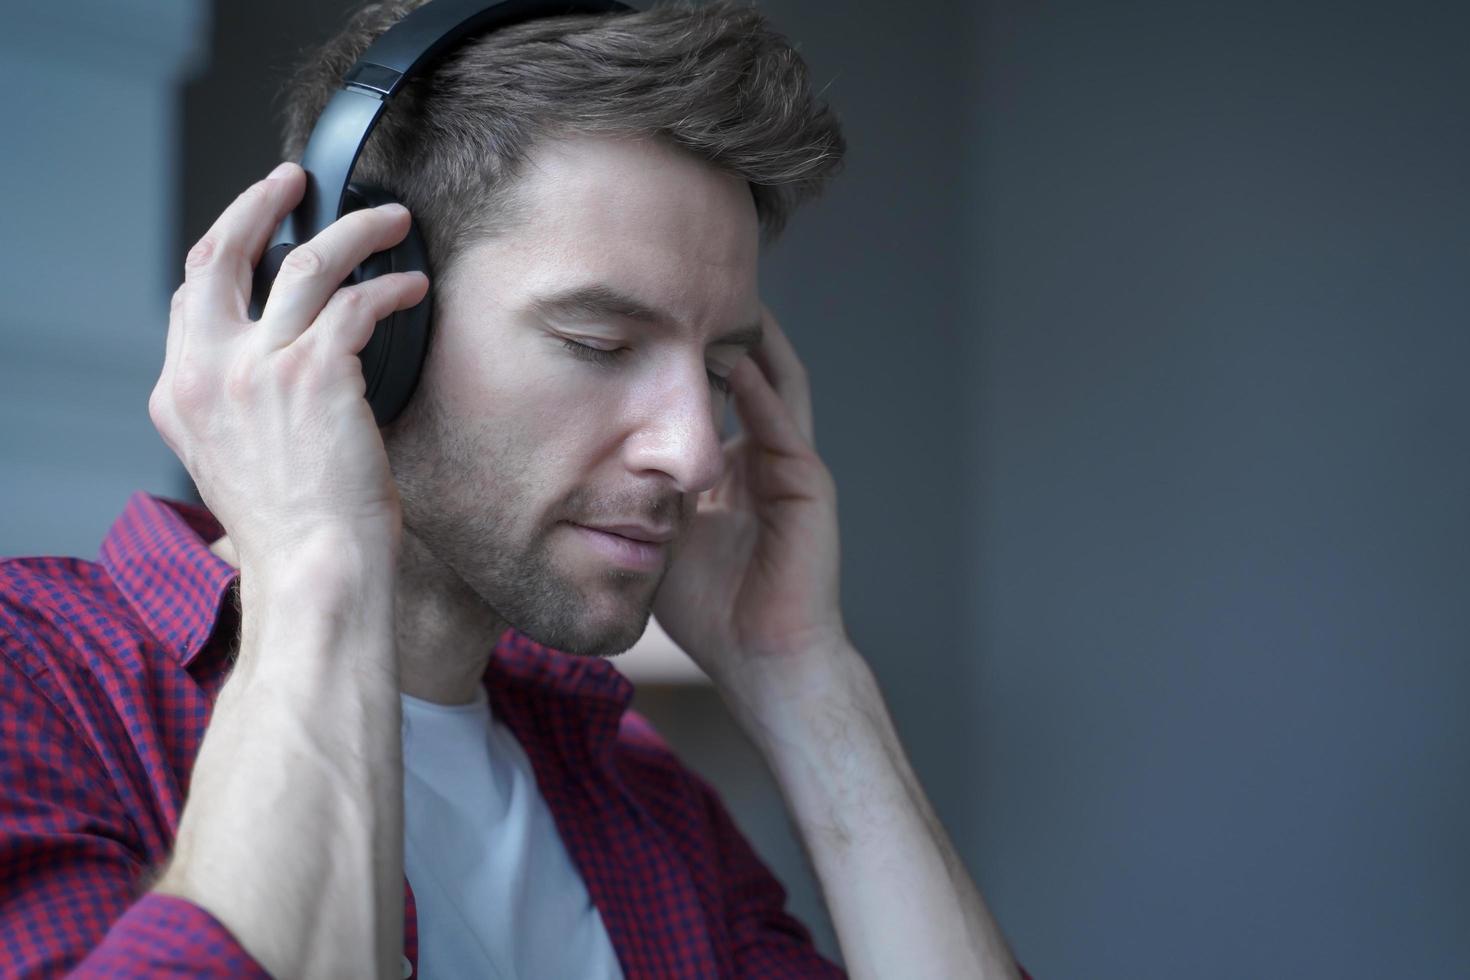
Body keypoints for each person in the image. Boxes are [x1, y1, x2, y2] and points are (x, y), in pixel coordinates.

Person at [0, 1, 1031, 977]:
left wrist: (804, 675)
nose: (695, 452)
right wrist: (315, 563)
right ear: (361, 322)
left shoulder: (644, 800)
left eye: (716, 372)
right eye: (599, 341)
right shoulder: (35, 688)